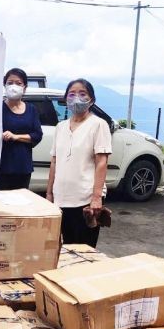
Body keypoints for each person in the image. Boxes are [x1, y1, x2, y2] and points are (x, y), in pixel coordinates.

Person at [47, 78, 112, 247]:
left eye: (82, 94)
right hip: (61, 199)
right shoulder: (60, 127)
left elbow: (101, 162)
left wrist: (96, 198)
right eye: (72, 94)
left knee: (84, 251)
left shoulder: (98, 125)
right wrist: (49, 194)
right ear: (66, 99)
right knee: (66, 248)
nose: (76, 98)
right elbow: (54, 162)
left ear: (92, 100)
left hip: (85, 200)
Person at [0, 68, 42, 190]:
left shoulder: (31, 109)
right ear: (4, 86)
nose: (13, 86)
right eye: (10, 83)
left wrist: (16, 136)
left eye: (18, 83)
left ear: (25, 87)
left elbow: (37, 135)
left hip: (23, 167)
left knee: (20, 203)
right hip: (1, 167)